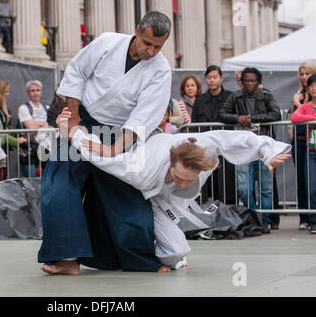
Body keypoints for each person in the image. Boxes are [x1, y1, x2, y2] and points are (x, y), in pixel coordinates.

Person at [57, 108, 291, 269]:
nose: (181, 183)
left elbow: (232, 138)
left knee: (176, 253)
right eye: (178, 177)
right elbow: (101, 158)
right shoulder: (140, 169)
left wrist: (268, 151)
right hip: (153, 196)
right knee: (160, 242)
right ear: (171, 163)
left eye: (187, 180)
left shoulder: (202, 148)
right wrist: (76, 133)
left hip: (172, 196)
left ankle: (168, 255)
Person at [38, 11, 172, 275]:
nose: (151, 51)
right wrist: (74, 115)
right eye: (147, 43)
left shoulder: (161, 70)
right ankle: (66, 259)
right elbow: (76, 70)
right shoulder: (108, 42)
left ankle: (139, 259)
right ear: (137, 30)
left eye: (158, 46)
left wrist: (113, 150)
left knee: (126, 196)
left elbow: (142, 118)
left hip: (120, 135)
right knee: (58, 182)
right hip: (85, 124)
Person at [219, 67, 282, 234]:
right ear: (242, 82)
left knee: (265, 187)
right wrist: (237, 118)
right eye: (247, 80)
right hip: (243, 148)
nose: (250, 84)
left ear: (259, 81)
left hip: (263, 146)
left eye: (253, 80)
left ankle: (265, 220)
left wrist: (252, 118)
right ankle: (253, 217)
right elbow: (222, 114)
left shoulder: (266, 96)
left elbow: (276, 115)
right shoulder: (235, 96)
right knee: (243, 188)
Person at [191, 65, 235, 204]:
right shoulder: (200, 100)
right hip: (205, 147)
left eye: (215, 77)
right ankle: (208, 210)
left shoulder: (230, 97)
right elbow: (194, 123)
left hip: (224, 146)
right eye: (209, 77)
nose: (212, 80)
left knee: (225, 182)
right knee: (207, 182)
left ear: (221, 79)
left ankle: (225, 209)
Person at [289, 62, 316, 230]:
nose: (304, 77)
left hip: (308, 142)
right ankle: (307, 218)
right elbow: (295, 117)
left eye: (307, 74)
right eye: (301, 74)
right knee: (305, 181)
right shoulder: (300, 96)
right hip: (303, 143)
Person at [0, 78, 25, 179]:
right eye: (6, 91)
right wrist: (16, 141)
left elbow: (4, 130)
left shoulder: (1, 107)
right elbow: (0, 131)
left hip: (2, 148)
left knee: (2, 177)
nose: (8, 94)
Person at [17, 80, 50, 177]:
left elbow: (50, 124)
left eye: (38, 90)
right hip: (29, 149)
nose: (35, 93)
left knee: (46, 179)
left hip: (46, 148)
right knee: (31, 181)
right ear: (28, 92)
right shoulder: (23, 108)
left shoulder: (46, 108)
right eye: (32, 90)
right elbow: (30, 127)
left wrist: (35, 123)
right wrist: (44, 124)